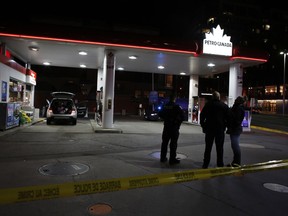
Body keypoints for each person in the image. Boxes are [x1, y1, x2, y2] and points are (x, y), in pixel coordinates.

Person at [200, 91, 229, 168]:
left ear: (212, 97)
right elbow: (228, 118)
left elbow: (202, 116)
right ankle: (220, 164)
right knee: (219, 148)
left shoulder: (208, 105)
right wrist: (225, 126)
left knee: (208, 148)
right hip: (220, 130)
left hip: (209, 129)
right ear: (219, 97)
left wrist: (203, 126)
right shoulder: (224, 106)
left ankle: (205, 164)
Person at [158, 93, 185, 165]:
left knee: (164, 143)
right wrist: (177, 121)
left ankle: (162, 158)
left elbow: (160, 114)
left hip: (166, 127)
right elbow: (183, 117)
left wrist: (166, 118)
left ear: (169, 98)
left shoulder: (165, 106)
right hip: (174, 128)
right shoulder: (177, 106)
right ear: (175, 99)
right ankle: (172, 159)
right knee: (173, 144)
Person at [226, 96, 246, 167]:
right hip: (235, 129)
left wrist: (230, 116)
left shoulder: (238, 109)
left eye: (236, 100)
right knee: (234, 146)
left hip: (235, 129)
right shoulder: (237, 108)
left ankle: (237, 163)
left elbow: (236, 119)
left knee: (235, 146)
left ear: (239, 101)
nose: (235, 100)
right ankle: (235, 162)